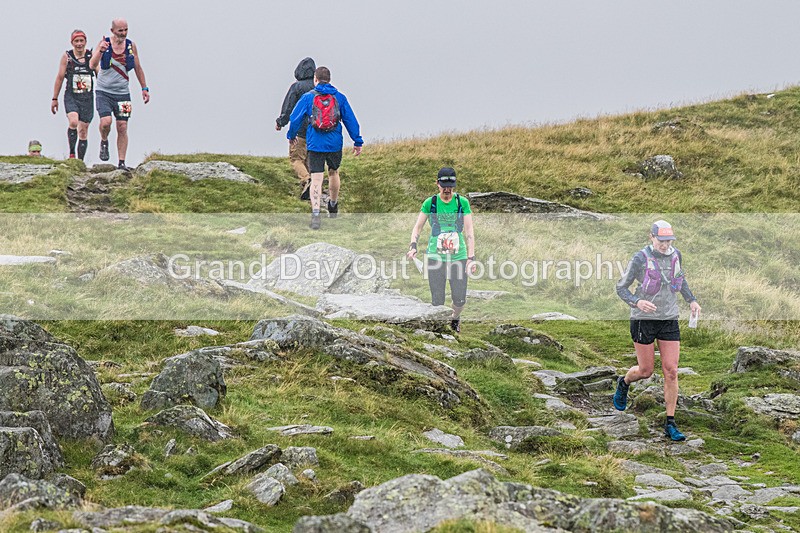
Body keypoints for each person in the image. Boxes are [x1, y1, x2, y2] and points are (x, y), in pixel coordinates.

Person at [614, 220, 701, 441]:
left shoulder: (676, 255)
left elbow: (680, 280)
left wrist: (691, 300)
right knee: (646, 371)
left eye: (668, 240)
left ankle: (670, 422)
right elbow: (621, 287)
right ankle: (624, 382)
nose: (665, 245)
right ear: (651, 237)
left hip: (668, 318)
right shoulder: (639, 258)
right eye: (661, 240)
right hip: (643, 319)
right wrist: (637, 302)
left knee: (671, 371)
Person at [286, 66, 363, 230]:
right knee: (334, 173)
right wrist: (357, 141)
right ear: (329, 79)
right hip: (334, 143)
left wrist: (291, 136)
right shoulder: (339, 97)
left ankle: (315, 214)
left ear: (315, 79)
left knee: (316, 179)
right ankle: (333, 204)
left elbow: (295, 118)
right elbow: (350, 120)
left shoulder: (308, 97)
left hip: (315, 144)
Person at [406, 167, 477, 333]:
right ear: (437, 184)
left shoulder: (462, 203)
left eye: (450, 186)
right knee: (437, 299)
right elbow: (418, 227)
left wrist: (471, 258)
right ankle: (438, 329)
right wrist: (413, 245)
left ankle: (455, 318)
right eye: (444, 186)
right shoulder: (430, 203)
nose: (447, 189)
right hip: (435, 257)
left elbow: (469, 231)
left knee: (459, 299)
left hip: (458, 256)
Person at [89, 18, 150, 171]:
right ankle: (104, 140)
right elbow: (92, 65)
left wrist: (144, 88)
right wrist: (101, 51)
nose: (123, 33)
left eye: (125, 30)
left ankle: (121, 162)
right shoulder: (104, 44)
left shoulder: (130, 46)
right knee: (106, 122)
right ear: (112, 31)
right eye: (120, 30)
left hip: (122, 93)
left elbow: (137, 67)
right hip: (103, 91)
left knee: (122, 126)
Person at [51, 30, 96, 160]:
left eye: (81, 41)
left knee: (83, 131)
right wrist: (55, 98)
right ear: (72, 42)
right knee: (73, 121)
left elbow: (100, 74)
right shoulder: (67, 57)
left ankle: (80, 161)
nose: (79, 44)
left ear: (86, 42)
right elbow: (60, 77)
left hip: (87, 97)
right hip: (72, 96)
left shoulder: (91, 56)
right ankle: (72, 154)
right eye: (76, 41)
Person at [276, 57, 316, 200]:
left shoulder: (297, 87)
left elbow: (288, 107)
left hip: (300, 130)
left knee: (296, 159)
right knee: (310, 160)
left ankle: (306, 179)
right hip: (317, 131)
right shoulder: (319, 87)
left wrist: (281, 122)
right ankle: (314, 187)